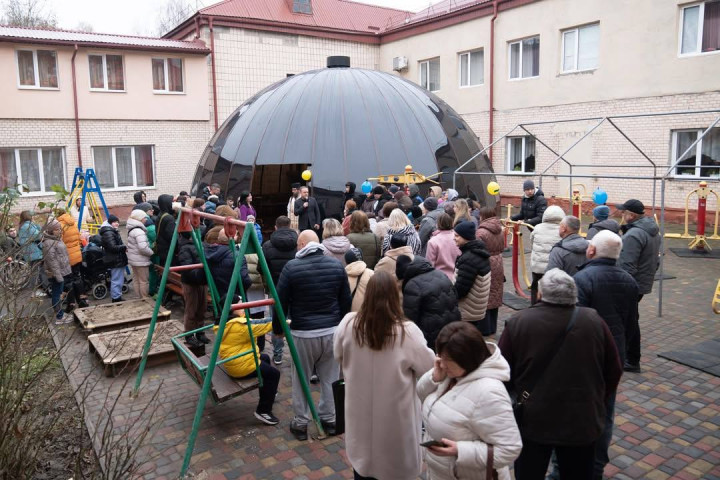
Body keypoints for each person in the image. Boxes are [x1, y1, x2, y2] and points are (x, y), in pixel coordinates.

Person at [498, 269, 622, 480]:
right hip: (582, 417)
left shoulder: (519, 321)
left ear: (540, 294)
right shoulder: (594, 320)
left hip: (533, 417)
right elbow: (614, 369)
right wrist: (596, 397)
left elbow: (502, 370)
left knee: (529, 473)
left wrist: (515, 398)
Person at [334, 271, 435, 480]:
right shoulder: (407, 332)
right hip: (397, 417)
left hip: (360, 412)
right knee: (395, 467)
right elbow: (429, 369)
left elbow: (338, 355)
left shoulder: (348, 325)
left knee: (362, 464)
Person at [418, 322, 523, 480]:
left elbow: (510, 449)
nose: (441, 364)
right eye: (440, 356)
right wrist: (434, 378)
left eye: (447, 359)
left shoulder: (489, 393)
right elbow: (421, 394)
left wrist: (460, 451)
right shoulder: (450, 373)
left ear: (466, 359)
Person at [274, 230, 351, 441]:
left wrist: (278, 329)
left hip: (303, 332)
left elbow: (280, 302)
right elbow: (345, 300)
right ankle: (330, 418)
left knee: (301, 378)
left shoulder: (291, 267)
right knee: (330, 377)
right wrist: (342, 326)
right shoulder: (336, 265)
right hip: (332, 330)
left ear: (301, 245)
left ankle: (301, 422)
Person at [573, 230, 639, 479]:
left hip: (586, 357)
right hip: (614, 356)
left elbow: (576, 324)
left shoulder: (582, 279)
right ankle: (596, 466)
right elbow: (632, 323)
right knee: (605, 412)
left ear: (591, 251)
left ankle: (569, 464)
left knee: (577, 411)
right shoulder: (629, 281)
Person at [616, 199, 660, 373]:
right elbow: (656, 260)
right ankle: (629, 357)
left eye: (623, 212)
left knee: (630, 321)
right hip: (641, 281)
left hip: (632, 284)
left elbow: (627, 266)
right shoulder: (651, 230)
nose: (621, 215)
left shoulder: (634, 235)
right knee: (631, 318)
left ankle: (632, 360)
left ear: (632, 215)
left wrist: (620, 287)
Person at [214, 311, 281, 425]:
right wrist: (285, 321)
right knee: (274, 374)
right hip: (240, 367)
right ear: (233, 310)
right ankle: (263, 411)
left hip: (233, 362)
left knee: (265, 357)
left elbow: (258, 321)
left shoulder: (225, 323)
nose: (242, 306)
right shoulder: (239, 326)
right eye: (239, 305)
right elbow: (262, 326)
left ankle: (269, 391)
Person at [396, 254, 461, 349]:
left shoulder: (412, 285)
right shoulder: (440, 274)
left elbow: (410, 318)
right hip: (453, 327)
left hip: (431, 333)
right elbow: (455, 297)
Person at [261, 216, 298, 365]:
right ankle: (297, 353)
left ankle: (277, 353)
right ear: (290, 226)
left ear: (275, 227)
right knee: (296, 319)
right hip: (295, 287)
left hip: (275, 287)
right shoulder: (298, 243)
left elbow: (261, 268)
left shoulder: (267, 245)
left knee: (276, 320)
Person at [453, 221, 492, 328]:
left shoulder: (469, 259)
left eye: (457, 236)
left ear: (465, 237)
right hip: (475, 308)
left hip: (467, 309)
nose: (454, 238)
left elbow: (461, 289)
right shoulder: (478, 252)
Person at [475, 207, 505, 336]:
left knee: (485, 294)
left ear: (483, 216)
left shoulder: (480, 232)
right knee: (496, 293)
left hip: (486, 262)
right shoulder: (500, 229)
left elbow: (478, 249)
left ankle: (485, 328)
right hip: (498, 262)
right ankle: (493, 326)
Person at [178, 229, 209, 348]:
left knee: (202, 308)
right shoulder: (185, 248)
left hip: (202, 282)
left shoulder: (202, 245)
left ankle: (200, 332)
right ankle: (189, 334)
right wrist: (201, 272)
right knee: (191, 309)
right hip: (191, 283)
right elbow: (187, 268)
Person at [529, 205, 564, 304]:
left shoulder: (538, 228)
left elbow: (531, 241)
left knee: (535, 285)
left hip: (538, 266)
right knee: (554, 288)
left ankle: (534, 305)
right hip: (554, 267)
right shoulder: (562, 230)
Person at [42, 220, 76, 324]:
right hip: (57, 273)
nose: (60, 230)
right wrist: (58, 276)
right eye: (57, 229)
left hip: (62, 271)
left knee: (59, 293)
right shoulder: (48, 243)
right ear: (51, 230)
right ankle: (59, 317)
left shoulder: (56, 239)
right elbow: (52, 261)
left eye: (60, 228)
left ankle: (60, 314)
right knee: (56, 295)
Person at [204, 229, 252, 301]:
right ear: (234, 238)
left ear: (218, 238)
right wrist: (239, 295)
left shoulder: (207, 253)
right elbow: (245, 280)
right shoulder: (238, 256)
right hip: (235, 297)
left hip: (217, 297)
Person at [56, 209, 86, 307]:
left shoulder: (59, 225)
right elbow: (78, 237)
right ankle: (82, 301)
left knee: (68, 280)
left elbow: (59, 242)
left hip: (67, 256)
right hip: (77, 254)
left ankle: (71, 304)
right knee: (77, 277)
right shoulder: (73, 223)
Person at [99, 215, 128, 303]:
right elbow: (112, 247)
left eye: (117, 222)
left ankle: (117, 296)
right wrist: (124, 247)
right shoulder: (109, 233)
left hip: (116, 259)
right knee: (117, 279)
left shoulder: (110, 231)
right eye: (115, 222)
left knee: (118, 278)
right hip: (115, 260)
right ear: (110, 223)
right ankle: (116, 298)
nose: (117, 224)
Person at [126, 210, 154, 299]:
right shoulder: (139, 231)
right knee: (144, 281)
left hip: (133, 259)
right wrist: (151, 252)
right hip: (141, 260)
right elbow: (143, 248)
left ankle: (138, 297)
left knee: (136, 279)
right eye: (144, 217)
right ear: (139, 218)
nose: (146, 219)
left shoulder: (131, 229)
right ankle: (145, 298)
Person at [18, 210, 46, 297]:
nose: (34, 217)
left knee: (34, 271)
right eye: (32, 216)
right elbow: (39, 236)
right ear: (29, 216)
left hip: (29, 252)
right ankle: (34, 291)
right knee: (35, 272)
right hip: (34, 251)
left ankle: (36, 290)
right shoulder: (29, 226)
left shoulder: (22, 226)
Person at [426, 213, 460, 281]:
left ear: (438, 224)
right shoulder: (458, 238)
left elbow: (430, 264)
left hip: (439, 279)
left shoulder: (433, 241)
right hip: (457, 276)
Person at [344, 248, 374, 312]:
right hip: (366, 313)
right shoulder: (371, 273)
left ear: (346, 261)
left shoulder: (343, 275)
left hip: (348, 314)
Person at [156, 194, 177, 267]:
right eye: (172, 202)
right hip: (168, 251)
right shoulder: (169, 218)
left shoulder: (160, 214)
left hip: (161, 249)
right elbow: (172, 237)